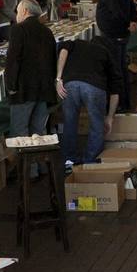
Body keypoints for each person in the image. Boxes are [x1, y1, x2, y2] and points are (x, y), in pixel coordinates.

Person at [56, 26, 122, 167]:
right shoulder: (107, 54)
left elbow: (63, 49)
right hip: (94, 86)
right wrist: (110, 117)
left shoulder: (78, 43)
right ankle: (90, 160)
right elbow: (115, 91)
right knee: (97, 125)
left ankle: (69, 159)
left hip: (70, 84)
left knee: (70, 122)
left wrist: (58, 78)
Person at [6, 0, 57, 137]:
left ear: (24, 11)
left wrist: (11, 86)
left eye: (18, 11)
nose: (17, 15)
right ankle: (36, 159)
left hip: (24, 90)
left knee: (19, 132)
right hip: (44, 89)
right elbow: (52, 60)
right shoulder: (47, 31)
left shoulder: (18, 29)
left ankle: (23, 159)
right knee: (38, 133)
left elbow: (13, 60)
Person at [95, 0, 135, 114]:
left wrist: (127, 23)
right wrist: (131, 20)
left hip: (114, 35)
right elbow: (131, 5)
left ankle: (120, 103)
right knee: (121, 68)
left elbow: (117, 10)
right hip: (120, 33)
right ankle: (124, 101)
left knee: (116, 71)